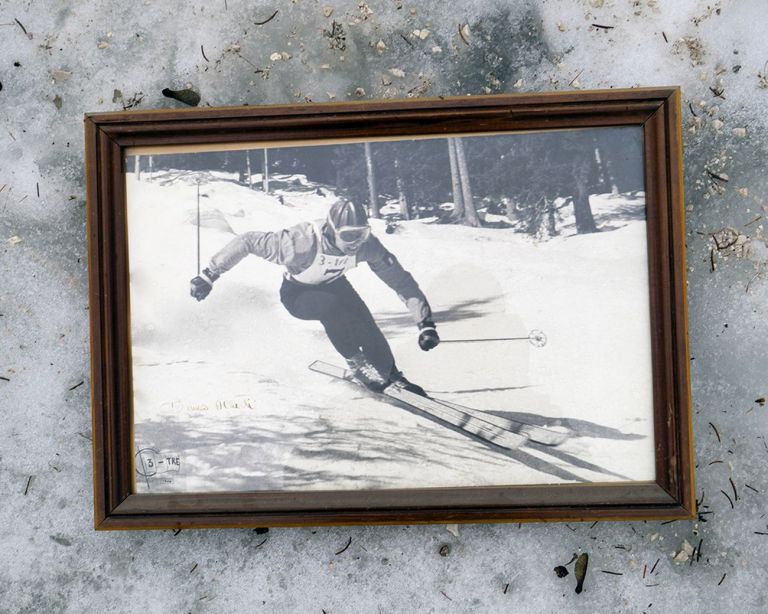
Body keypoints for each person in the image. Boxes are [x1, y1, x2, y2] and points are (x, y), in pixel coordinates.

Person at [190, 199, 440, 395]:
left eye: (361, 234)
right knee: (332, 308)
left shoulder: (368, 246)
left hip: (334, 285)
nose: (355, 243)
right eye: (348, 236)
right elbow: (247, 241)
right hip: (298, 294)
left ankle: (391, 373)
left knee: (363, 320)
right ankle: (356, 362)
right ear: (332, 230)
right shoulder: (299, 243)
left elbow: (400, 280)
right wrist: (210, 274)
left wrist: (425, 323)